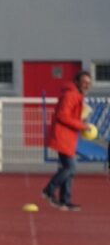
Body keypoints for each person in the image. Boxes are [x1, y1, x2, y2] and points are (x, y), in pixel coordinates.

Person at [41, 70, 91, 212]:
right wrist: (81, 125)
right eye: (84, 82)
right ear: (77, 82)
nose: (87, 85)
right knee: (70, 167)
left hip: (68, 137)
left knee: (69, 169)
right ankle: (48, 190)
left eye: (89, 83)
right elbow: (62, 116)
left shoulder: (77, 95)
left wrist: (81, 120)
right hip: (63, 137)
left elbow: (70, 115)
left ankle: (65, 200)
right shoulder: (71, 95)